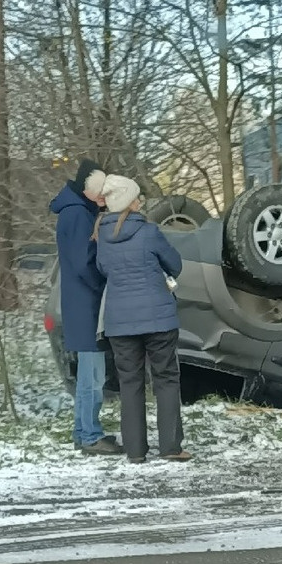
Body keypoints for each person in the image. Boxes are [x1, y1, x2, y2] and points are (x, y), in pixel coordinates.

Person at [94, 174, 191, 463]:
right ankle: (171, 447)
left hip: (120, 323)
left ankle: (136, 451)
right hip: (158, 319)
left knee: (130, 384)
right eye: (136, 197)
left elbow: (102, 271)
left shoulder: (102, 237)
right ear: (129, 202)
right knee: (165, 380)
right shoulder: (149, 232)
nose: (140, 201)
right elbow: (175, 264)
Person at [51, 158, 123, 456]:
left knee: (87, 376)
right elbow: (84, 262)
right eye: (101, 191)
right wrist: (104, 281)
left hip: (78, 303)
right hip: (86, 304)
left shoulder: (74, 212)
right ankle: (90, 435)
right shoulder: (79, 215)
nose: (105, 197)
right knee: (93, 376)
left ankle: (84, 432)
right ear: (89, 189)